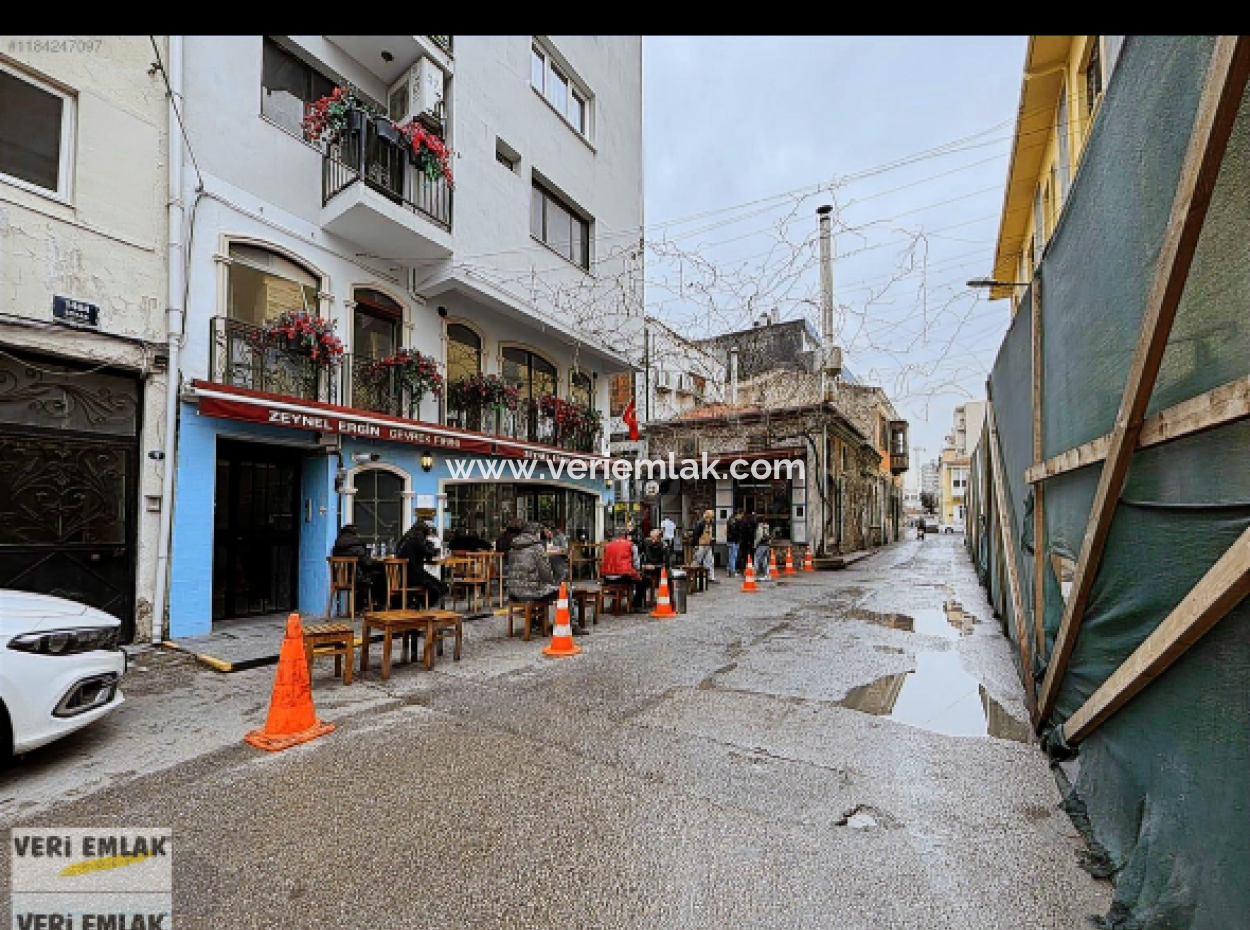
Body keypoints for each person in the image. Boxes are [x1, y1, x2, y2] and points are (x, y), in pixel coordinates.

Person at [331, 523, 385, 608]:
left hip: (339, 579)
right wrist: (375, 561)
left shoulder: (336, 548)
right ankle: (377, 605)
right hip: (355, 578)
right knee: (380, 575)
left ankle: (359, 606)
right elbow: (367, 563)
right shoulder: (356, 547)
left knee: (366, 575)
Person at [506, 522, 559, 605]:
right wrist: (552, 584)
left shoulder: (513, 546)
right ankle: (569, 617)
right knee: (564, 593)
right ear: (536, 533)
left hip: (513, 592)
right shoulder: (537, 547)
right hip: (531, 593)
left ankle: (536, 616)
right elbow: (545, 573)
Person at [601, 527, 648, 611]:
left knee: (625, 576)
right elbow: (636, 565)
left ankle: (615, 601)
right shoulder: (631, 545)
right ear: (626, 536)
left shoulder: (608, 545)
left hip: (606, 577)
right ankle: (636, 605)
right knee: (643, 581)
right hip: (622, 576)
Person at [638, 527, 670, 596]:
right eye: (651, 537)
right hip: (647, 567)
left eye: (654, 538)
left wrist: (655, 567)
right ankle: (638, 601)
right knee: (640, 579)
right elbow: (639, 554)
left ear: (659, 538)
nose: (652, 540)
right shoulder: (646, 542)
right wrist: (642, 564)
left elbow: (666, 563)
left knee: (667, 578)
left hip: (659, 569)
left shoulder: (664, 546)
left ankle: (666, 599)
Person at [691, 508, 718, 583]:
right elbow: (695, 534)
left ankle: (710, 577)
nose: (711, 519)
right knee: (697, 561)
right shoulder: (700, 523)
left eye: (712, 517)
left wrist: (712, 538)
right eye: (710, 517)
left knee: (710, 561)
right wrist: (695, 545)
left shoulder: (710, 523)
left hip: (708, 545)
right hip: (700, 545)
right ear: (706, 516)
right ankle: (691, 576)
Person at [725, 511, 743, 578]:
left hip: (730, 541)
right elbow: (735, 532)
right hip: (734, 541)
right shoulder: (734, 522)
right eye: (740, 515)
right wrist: (737, 540)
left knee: (730, 556)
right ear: (737, 515)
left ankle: (729, 570)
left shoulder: (730, 520)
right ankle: (732, 571)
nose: (741, 517)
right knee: (733, 556)